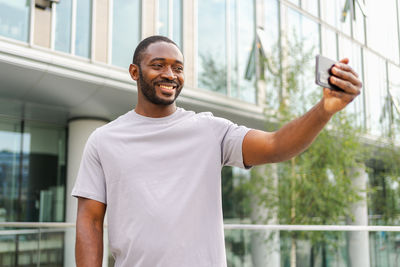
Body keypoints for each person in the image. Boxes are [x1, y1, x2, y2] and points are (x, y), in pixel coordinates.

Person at [72, 35, 362, 266]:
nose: (170, 74)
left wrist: (325, 110)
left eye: (178, 67)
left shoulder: (209, 130)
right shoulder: (104, 139)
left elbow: (276, 145)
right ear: (135, 72)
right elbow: (90, 221)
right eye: (158, 65)